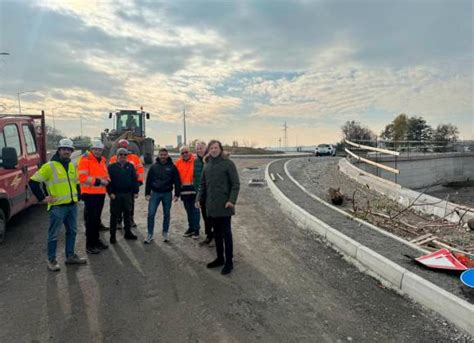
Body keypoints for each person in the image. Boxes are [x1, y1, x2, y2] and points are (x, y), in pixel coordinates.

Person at [29, 138, 87, 271]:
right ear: (59, 150)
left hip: (72, 205)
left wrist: (78, 196)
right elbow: (33, 181)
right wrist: (42, 198)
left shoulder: (71, 165)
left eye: (69, 150)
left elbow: (76, 182)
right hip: (58, 206)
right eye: (64, 149)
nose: (66, 151)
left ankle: (70, 256)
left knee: (72, 231)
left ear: (71, 151)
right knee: (54, 234)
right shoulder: (50, 166)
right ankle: (51, 260)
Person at [197, 140, 240, 275]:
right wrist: (198, 198)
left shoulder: (228, 164)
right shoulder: (207, 165)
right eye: (211, 148)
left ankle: (229, 262)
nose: (214, 150)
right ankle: (220, 258)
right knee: (217, 234)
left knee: (226, 234)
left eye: (216, 148)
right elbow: (202, 185)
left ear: (220, 149)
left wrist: (231, 201)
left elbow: (235, 185)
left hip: (225, 205)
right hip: (211, 206)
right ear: (208, 150)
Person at [78, 140, 110, 254]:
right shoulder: (85, 160)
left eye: (99, 150)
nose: (97, 151)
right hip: (89, 194)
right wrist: (100, 181)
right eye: (95, 149)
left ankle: (96, 241)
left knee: (96, 220)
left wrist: (107, 180)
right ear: (92, 150)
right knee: (91, 221)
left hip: (100, 194)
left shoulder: (102, 160)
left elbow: (105, 174)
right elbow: (82, 177)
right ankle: (90, 245)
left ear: (102, 151)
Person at [144, 148, 180, 243]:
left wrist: (177, 194)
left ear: (167, 155)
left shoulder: (172, 167)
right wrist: (147, 193)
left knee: (166, 214)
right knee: (151, 214)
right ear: (158, 156)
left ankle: (165, 233)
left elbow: (177, 181)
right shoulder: (153, 167)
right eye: (161, 155)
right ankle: (150, 234)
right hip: (155, 193)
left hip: (167, 194)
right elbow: (148, 181)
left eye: (164, 155)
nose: (163, 156)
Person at [109, 139, 144, 228]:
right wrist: (110, 189)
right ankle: (119, 221)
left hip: (130, 187)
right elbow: (109, 174)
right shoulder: (113, 158)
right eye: (121, 146)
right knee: (118, 206)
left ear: (127, 147)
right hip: (117, 188)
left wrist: (138, 182)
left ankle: (130, 220)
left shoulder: (134, 158)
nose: (123, 149)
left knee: (130, 205)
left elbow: (139, 170)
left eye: (125, 147)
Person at [107, 148, 139, 243]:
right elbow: (108, 181)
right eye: (120, 154)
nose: (123, 156)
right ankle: (112, 236)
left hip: (127, 194)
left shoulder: (130, 166)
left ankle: (128, 233)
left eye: (125, 155)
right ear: (117, 156)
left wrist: (136, 191)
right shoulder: (111, 167)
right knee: (114, 216)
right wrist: (110, 192)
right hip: (116, 195)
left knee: (127, 214)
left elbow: (134, 179)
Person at [175, 145, 200, 239]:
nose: (185, 154)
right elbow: (176, 177)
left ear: (189, 152)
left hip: (195, 189)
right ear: (180, 154)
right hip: (184, 191)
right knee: (188, 211)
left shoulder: (196, 160)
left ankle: (196, 230)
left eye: (186, 152)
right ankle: (191, 228)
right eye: (182, 153)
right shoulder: (178, 162)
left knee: (195, 210)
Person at [194, 141, 213, 246]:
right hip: (201, 193)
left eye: (201, 148)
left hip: (211, 193)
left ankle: (215, 235)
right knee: (205, 216)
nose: (199, 150)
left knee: (212, 216)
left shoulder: (210, 160)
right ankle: (209, 236)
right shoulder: (196, 161)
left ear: (205, 148)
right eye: (197, 148)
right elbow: (195, 177)